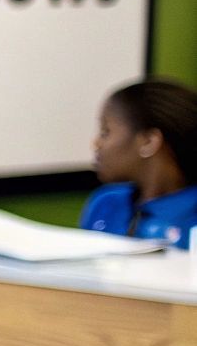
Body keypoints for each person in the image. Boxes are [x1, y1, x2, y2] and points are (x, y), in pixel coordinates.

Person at [82, 77, 197, 249]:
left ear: (149, 141)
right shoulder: (105, 203)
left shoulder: (191, 216)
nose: (96, 144)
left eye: (106, 132)